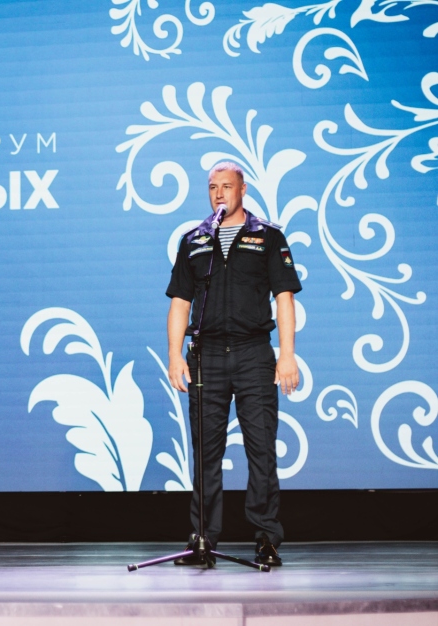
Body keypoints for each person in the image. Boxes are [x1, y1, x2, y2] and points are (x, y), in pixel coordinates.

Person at [165, 161, 301, 567]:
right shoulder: (194, 240)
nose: (219, 193)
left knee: (261, 449)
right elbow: (180, 302)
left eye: (227, 186)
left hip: (253, 354)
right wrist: (174, 355)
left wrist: (287, 354)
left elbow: (284, 298)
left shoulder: (268, 236)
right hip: (206, 357)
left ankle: (266, 538)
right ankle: (202, 539)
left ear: (243, 190)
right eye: (212, 187)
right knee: (205, 453)